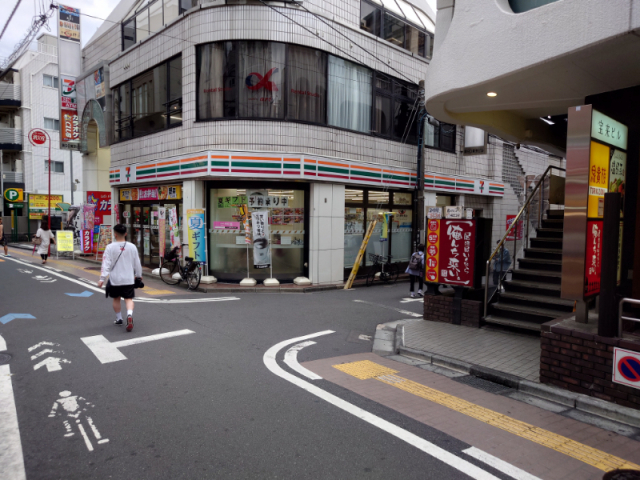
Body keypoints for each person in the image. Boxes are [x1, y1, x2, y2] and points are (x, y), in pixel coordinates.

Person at [98, 224, 142, 332]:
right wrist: (139, 275)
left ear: (115, 234)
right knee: (128, 299)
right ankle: (129, 315)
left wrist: (102, 278)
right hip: (128, 279)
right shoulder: (132, 247)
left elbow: (106, 264)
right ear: (126, 234)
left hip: (115, 279)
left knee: (116, 298)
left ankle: (119, 319)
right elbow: (137, 263)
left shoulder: (110, 247)